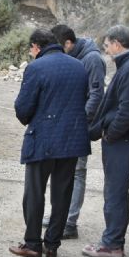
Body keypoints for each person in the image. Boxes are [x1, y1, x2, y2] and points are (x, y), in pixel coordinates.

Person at [9, 28, 90, 257]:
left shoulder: (36, 67)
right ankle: (52, 245)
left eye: (31, 49)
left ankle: (33, 244)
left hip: (43, 138)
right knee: (62, 194)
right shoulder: (79, 66)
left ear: (36, 47)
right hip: (73, 139)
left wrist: (31, 117)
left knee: (34, 193)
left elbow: (23, 109)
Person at [82, 25, 129, 257]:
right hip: (123, 138)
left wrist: (111, 134)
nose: (107, 51)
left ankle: (112, 245)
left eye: (107, 46)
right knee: (115, 191)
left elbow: (128, 110)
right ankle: (112, 241)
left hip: (123, 140)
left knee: (115, 192)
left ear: (117, 44)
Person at [45, 24, 106, 239]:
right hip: (67, 123)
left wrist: (80, 121)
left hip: (79, 126)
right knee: (62, 170)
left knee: (77, 172)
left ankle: (69, 222)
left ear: (68, 44)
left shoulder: (91, 60)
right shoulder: (76, 57)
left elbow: (97, 95)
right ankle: (58, 216)